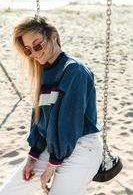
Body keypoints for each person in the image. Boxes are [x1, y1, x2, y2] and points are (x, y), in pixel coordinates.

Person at [0, 16, 103, 195]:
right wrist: (33, 155)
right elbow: (39, 119)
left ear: (54, 36)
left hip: (82, 147)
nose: (35, 53)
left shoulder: (74, 71)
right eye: (28, 50)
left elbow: (69, 124)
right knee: (9, 191)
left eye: (38, 45)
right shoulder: (43, 73)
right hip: (54, 146)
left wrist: (51, 166)